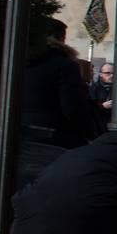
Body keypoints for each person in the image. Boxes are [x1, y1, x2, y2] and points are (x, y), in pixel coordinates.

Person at [22, 17, 94, 151]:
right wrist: (89, 133)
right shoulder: (64, 65)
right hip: (53, 136)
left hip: (19, 131)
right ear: (61, 38)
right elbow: (72, 107)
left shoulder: (15, 61)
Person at [89, 61, 115, 135]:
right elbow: (89, 105)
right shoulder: (94, 88)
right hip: (98, 124)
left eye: (114, 73)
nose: (112, 75)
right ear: (100, 74)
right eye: (107, 73)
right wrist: (102, 106)